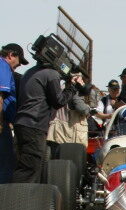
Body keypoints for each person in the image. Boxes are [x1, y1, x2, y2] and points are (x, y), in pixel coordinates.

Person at [13, 41, 83, 183]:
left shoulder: (30, 72)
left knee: (24, 165)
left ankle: (18, 199)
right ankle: (19, 201)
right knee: (30, 168)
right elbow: (58, 101)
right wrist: (73, 86)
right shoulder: (51, 74)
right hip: (34, 125)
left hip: (23, 124)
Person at [0, 43, 28, 183]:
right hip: (1, 123)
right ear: (11, 55)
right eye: (18, 62)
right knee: (6, 165)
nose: (18, 66)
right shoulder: (3, 66)